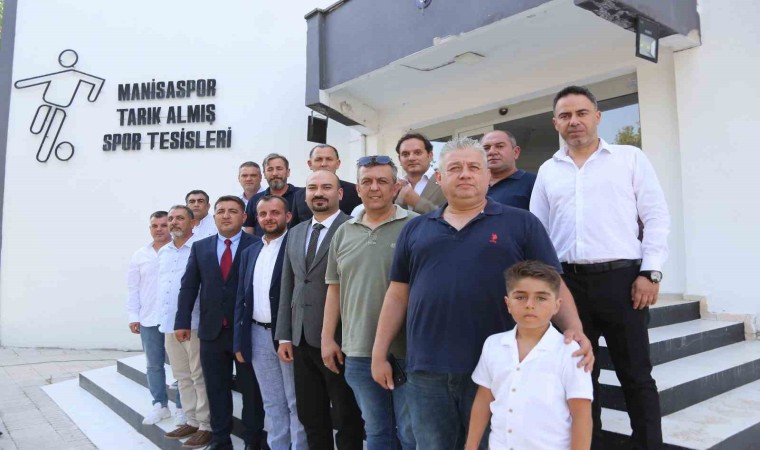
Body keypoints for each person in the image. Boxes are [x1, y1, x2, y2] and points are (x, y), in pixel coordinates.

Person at [371, 137, 593, 450]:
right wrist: (379, 352)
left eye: (474, 167)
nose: (465, 174)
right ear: (440, 178)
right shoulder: (415, 229)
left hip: (498, 367)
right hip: (426, 367)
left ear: (488, 176)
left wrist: (574, 328)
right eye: (455, 168)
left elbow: (552, 282)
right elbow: (397, 294)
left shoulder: (522, 223)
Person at [530, 85, 670, 450]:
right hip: (567, 287)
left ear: (597, 116)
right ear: (555, 123)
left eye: (581, 113)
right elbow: (537, 232)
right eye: (565, 116)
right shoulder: (548, 171)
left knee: (636, 375)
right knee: (580, 378)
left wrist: (650, 272)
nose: (574, 121)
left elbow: (656, 217)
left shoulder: (630, 158)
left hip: (625, 283)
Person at [322, 156, 417, 450]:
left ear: (396, 187)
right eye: (367, 181)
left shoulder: (415, 226)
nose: (374, 187)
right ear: (358, 189)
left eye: (382, 181)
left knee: (411, 434)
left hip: (407, 350)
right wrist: (327, 338)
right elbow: (334, 288)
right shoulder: (343, 232)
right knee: (376, 432)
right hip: (358, 350)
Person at [275, 170, 364, 450]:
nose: (319, 193)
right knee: (311, 414)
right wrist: (285, 335)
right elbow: (288, 285)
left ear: (340, 193)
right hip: (301, 339)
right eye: (312, 188)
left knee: (347, 414)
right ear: (305, 195)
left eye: (326, 187)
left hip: (341, 340)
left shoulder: (354, 228)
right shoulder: (296, 232)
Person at [465, 261, 593, 450]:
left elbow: (581, 416)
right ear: (508, 303)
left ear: (557, 305)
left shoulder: (570, 352)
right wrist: (471, 446)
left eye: (541, 298)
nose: (530, 305)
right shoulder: (493, 345)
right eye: (520, 297)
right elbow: (484, 399)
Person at [175, 196, 267, 450]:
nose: (226, 215)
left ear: (244, 217)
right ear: (213, 216)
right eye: (221, 211)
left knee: (252, 392)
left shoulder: (257, 245)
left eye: (233, 211)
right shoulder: (200, 247)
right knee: (216, 390)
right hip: (211, 332)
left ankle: (252, 442)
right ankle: (220, 440)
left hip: (246, 333)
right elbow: (189, 286)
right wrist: (182, 321)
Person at [234, 195, 307, 450]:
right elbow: (241, 298)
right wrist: (239, 341)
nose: (269, 218)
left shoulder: (296, 246)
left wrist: (287, 335)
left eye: (275, 213)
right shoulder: (250, 252)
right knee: (272, 402)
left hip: (287, 335)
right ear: (257, 218)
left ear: (288, 216)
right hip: (257, 335)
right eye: (263, 214)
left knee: (296, 401)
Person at [158, 205, 212, 448]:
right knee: (182, 376)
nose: (174, 222)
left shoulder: (201, 248)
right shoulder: (164, 252)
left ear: (192, 222)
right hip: (170, 324)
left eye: (180, 218)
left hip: (194, 323)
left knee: (199, 376)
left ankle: (206, 425)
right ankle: (191, 420)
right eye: (171, 218)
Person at [127, 210, 173, 425]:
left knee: (181, 368)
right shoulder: (140, 255)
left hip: (174, 320)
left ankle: (182, 408)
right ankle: (160, 405)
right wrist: (133, 316)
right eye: (155, 226)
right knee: (154, 365)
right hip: (148, 319)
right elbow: (133, 288)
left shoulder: (180, 251)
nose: (159, 229)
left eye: (163, 225)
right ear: (150, 228)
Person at [292, 144, 362, 222]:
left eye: (329, 159)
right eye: (318, 159)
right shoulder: (299, 196)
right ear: (310, 164)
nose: (324, 164)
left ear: (337, 163)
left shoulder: (355, 192)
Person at [481, 130, 537, 209]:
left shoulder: (534, 182)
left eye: (499, 146)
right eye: (486, 148)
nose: (492, 152)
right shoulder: (474, 185)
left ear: (516, 152)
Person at [394, 133, 446, 214]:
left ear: (430, 156)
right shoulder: (395, 186)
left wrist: (418, 202)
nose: (411, 158)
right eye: (405, 154)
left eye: (417, 153)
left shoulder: (445, 182)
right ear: (399, 160)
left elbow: (453, 217)